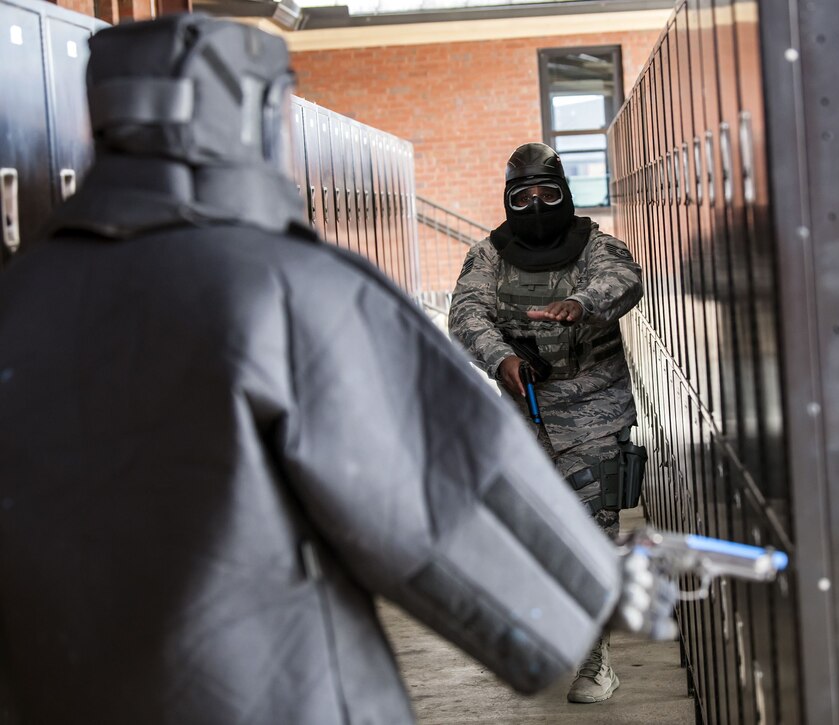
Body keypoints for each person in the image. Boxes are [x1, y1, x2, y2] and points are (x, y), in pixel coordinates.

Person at [0, 16, 671, 725]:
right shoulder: (295, 289)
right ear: (256, 116)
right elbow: (424, 491)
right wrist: (591, 594)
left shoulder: (18, 297)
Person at [448, 142, 645, 704]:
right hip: (522, 420)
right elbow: (466, 313)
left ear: (565, 194)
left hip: (592, 417)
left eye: (547, 194)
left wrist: (582, 304)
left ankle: (595, 658)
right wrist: (502, 358)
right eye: (523, 196)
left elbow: (623, 280)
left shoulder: (596, 247)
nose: (535, 207)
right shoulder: (489, 255)